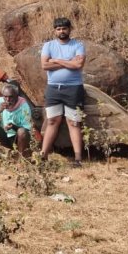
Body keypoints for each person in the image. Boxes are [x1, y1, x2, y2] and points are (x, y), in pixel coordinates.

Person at [40, 17, 86, 167]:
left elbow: (78, 64)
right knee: (52, 120)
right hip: (53, 88)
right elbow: (45, 65)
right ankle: (43, 156)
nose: (61, 31)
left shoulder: (78, 45)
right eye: (58, 29)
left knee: (74, 122)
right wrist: (68, 62)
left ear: (69, 29)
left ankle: (78, 159)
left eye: (64, 28)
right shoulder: (48, 45)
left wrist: (56, 60)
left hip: (73, 89)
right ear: (55, 31)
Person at [0, 84, 33, 159]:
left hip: (19, 140)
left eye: (11, 97)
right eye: (5, 96)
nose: (7, 100)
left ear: (16, 96)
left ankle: (21, 160)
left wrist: (13, 127)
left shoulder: (23, 105)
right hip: (5, 136)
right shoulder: (0, 101)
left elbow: (26, 130)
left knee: (22, 131)